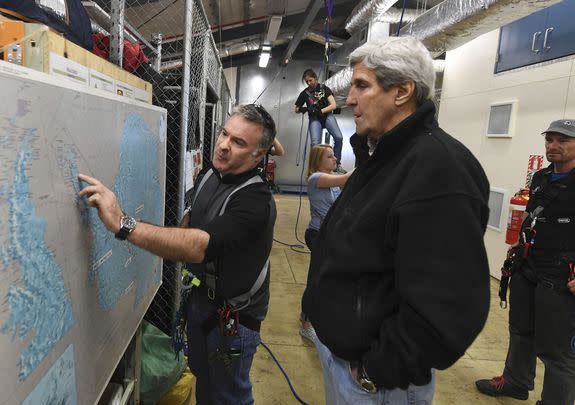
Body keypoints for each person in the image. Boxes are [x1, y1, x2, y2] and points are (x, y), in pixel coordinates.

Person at [301, 36, 491, 405]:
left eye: (361, 85)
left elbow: (451, 308)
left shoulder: (438, 169)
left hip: (378, 384)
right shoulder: (383, 158)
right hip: (345, 361)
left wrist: (375, 371)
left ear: (402, 92)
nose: (350, 99)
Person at [79, 104, 277, 405]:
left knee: (229, 396)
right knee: (205, 382)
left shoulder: (255, 201)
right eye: (225, 133)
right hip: (201, 305)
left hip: (232, 320)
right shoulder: (213, 173)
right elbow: (191, 222)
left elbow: (198, 246)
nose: (223, 145)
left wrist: (123, 223)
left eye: (239, 143)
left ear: (257, 155)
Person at [475, 119, 575, 405]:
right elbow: (534, 218)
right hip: (529, 267)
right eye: (550, 140)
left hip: (561, 275)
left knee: (558, 351)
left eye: (563, 140)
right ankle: (516, 382)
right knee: (521, 331)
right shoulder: (542, 177)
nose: (553, 146)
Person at [300, 144, 352, 342]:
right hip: (317, 234)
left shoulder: (333, 183)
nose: (335, 159)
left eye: (334, 156)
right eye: (329, 157)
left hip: (330, 235)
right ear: (318, 161)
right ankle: (306, 325)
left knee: (325, 279)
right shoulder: (316, 179)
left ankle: (310, 316)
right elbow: (348, 178)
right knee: (316, 280)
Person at [295, 68, 347, 174]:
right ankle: (315, 167)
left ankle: (337, 165)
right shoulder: (304, 93)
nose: (309, 83)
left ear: (315, 78)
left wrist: (320, 111)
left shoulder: (324, 89)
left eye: (310, 80)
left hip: (327, 116)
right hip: (314, 118)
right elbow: (296, 108)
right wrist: (304, 109)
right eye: (307, 82)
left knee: (339, 137)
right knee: (315, 144)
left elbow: (333, 105)